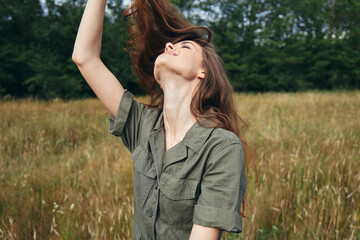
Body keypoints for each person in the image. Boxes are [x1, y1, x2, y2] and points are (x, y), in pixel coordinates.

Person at [72, 0, 253, 239]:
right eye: (170, 44)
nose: (169, 45)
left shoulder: (221, 147)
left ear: (203, 72)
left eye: (186, 47)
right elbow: (85, 58)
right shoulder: (142, 125)